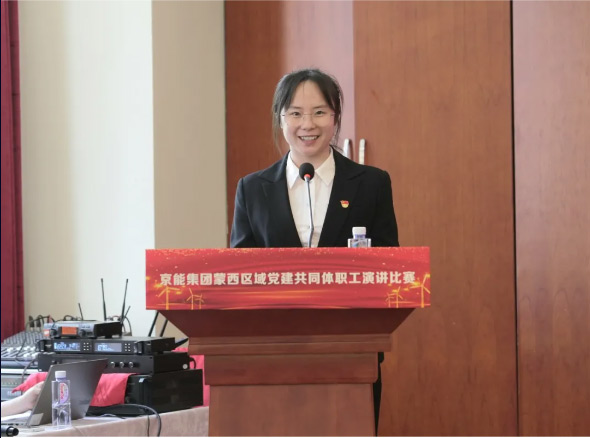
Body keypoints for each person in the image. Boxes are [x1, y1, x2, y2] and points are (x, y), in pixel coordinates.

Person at [230, 68, 399, 433]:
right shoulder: (253, 189)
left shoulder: (371, 184)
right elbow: (239, 278)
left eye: (320, 112)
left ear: (336, 117)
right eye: (295, 113)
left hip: (351, 354)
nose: (308, 124)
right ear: (281, 119)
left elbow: (390, 270)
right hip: (273, 357)